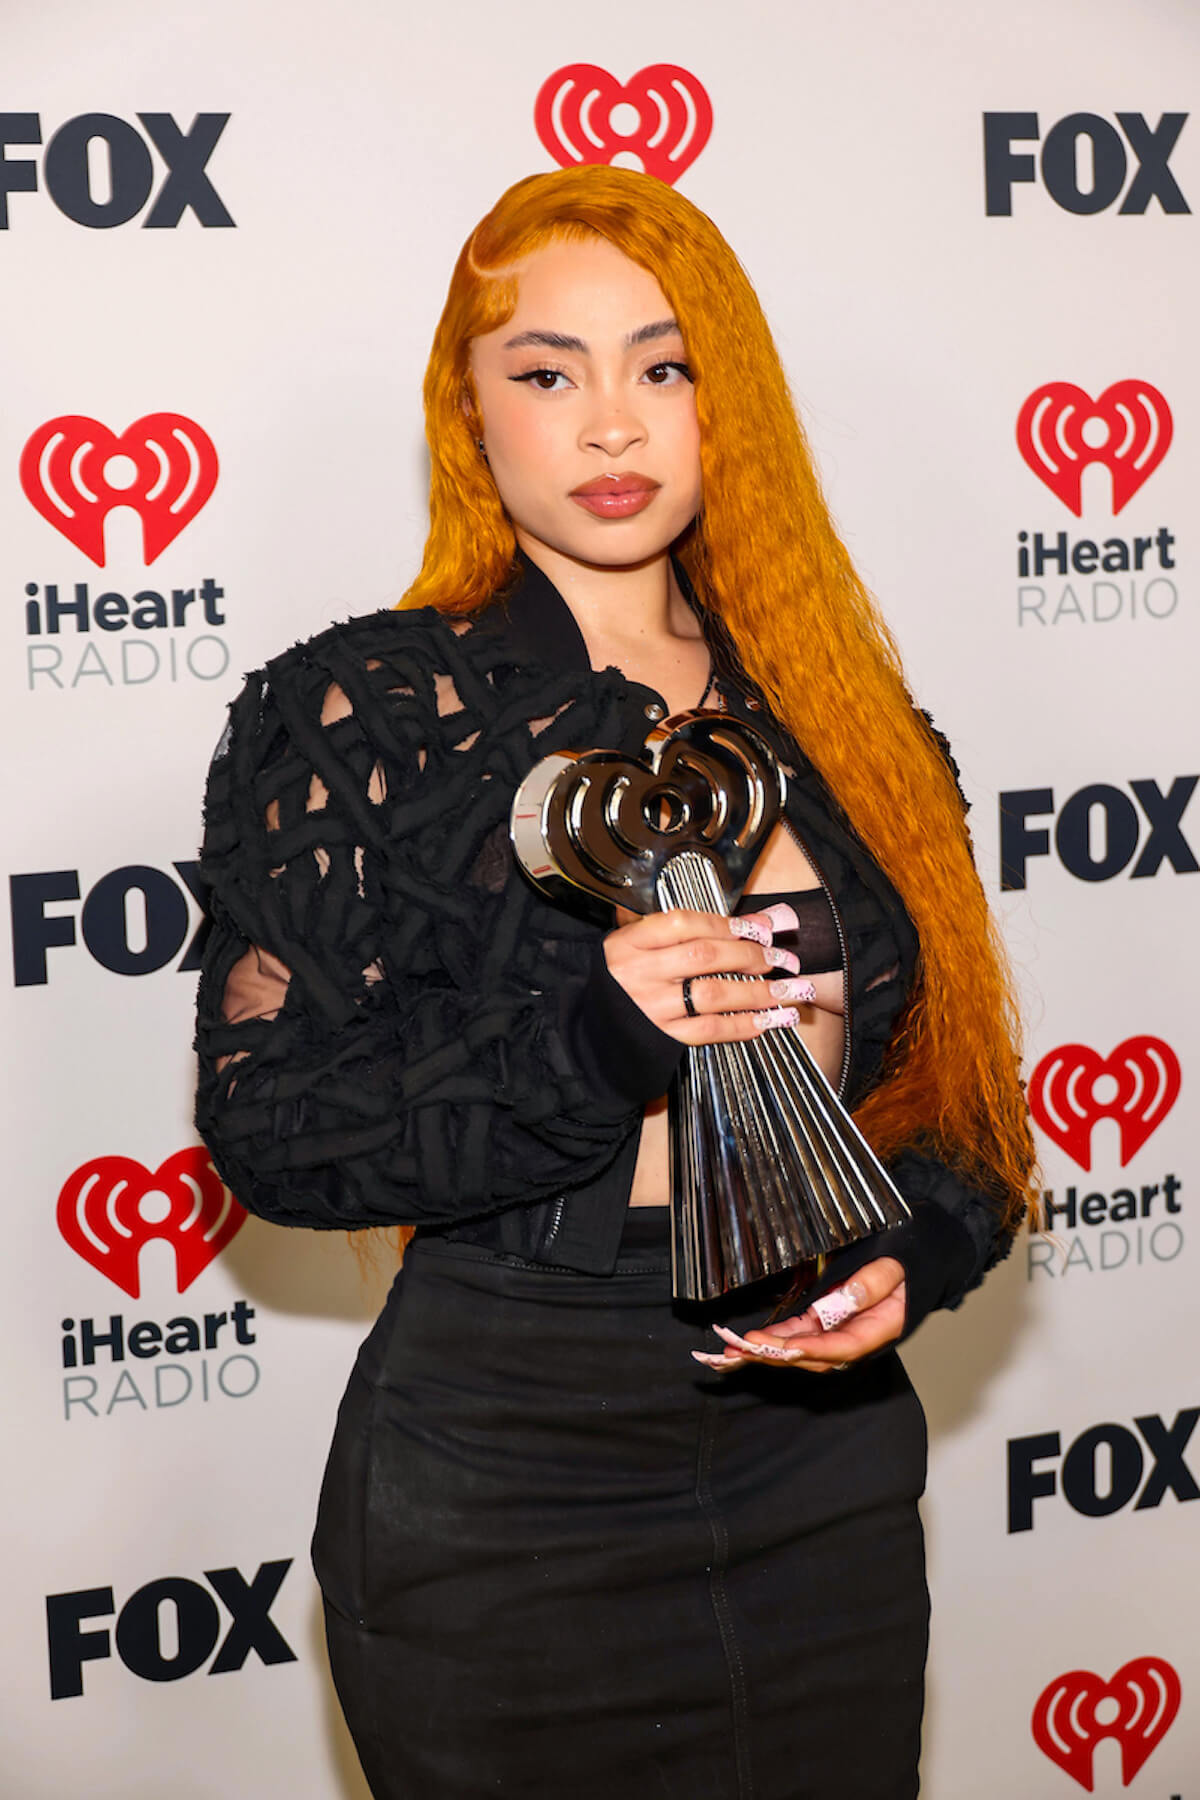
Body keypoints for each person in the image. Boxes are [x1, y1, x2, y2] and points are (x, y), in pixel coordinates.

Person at [195, 167, 1034, 1800]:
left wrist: (909, 1257)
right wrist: (592, 1035)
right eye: (546, 372)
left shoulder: (850, 724)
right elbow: (275, 1133)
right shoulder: (361, 712)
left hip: (821, 1466)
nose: (608, 427)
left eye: (663, 368)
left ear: (728, 403)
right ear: (470, 411)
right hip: (504, 1465)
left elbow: (962, 1110)